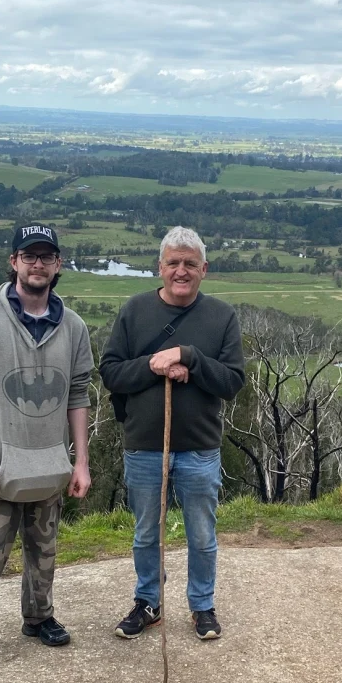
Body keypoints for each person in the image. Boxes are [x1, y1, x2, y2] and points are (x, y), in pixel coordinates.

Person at [0, 223, 93, 666]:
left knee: (44, 551)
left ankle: (39, 617)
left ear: (58, 264)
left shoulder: (75, 326)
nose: (38, 264)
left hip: (49, 464)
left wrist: (80, 461)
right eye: (29, 255)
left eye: (46, 256)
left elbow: (78, 393)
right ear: (13, 262)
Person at [99, 226, 245, 641]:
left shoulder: (222, 317)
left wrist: (190, 357)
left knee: (202, 535)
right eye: (173, 263)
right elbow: (110, 373)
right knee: (147, 533)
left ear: (204, 269)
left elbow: (232, 382)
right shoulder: (134, 311)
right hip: (144, 445)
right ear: (160, 267)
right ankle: (148, 601)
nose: (181, 271)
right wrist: (153, 365)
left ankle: (202, 606)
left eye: (190, 264)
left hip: (200, 448)